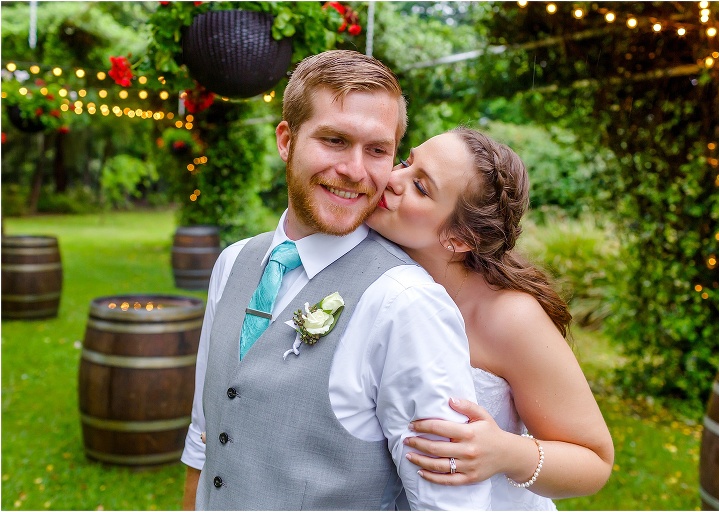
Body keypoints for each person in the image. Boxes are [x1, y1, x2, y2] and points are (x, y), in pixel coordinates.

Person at [180, 51, 492, 510]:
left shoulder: (405, 303)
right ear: (286, 141)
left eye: (378, 150)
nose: (355, 170)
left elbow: (452, 504)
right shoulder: (232, 263)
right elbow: (206, 432)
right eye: (334, 140)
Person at [366, 127, 614, 510]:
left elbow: (595, 461)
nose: (392, 179)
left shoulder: (510, 318)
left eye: (421, 187)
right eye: (406, 162)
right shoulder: (366, 261)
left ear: (460, 238)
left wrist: (506, 453)